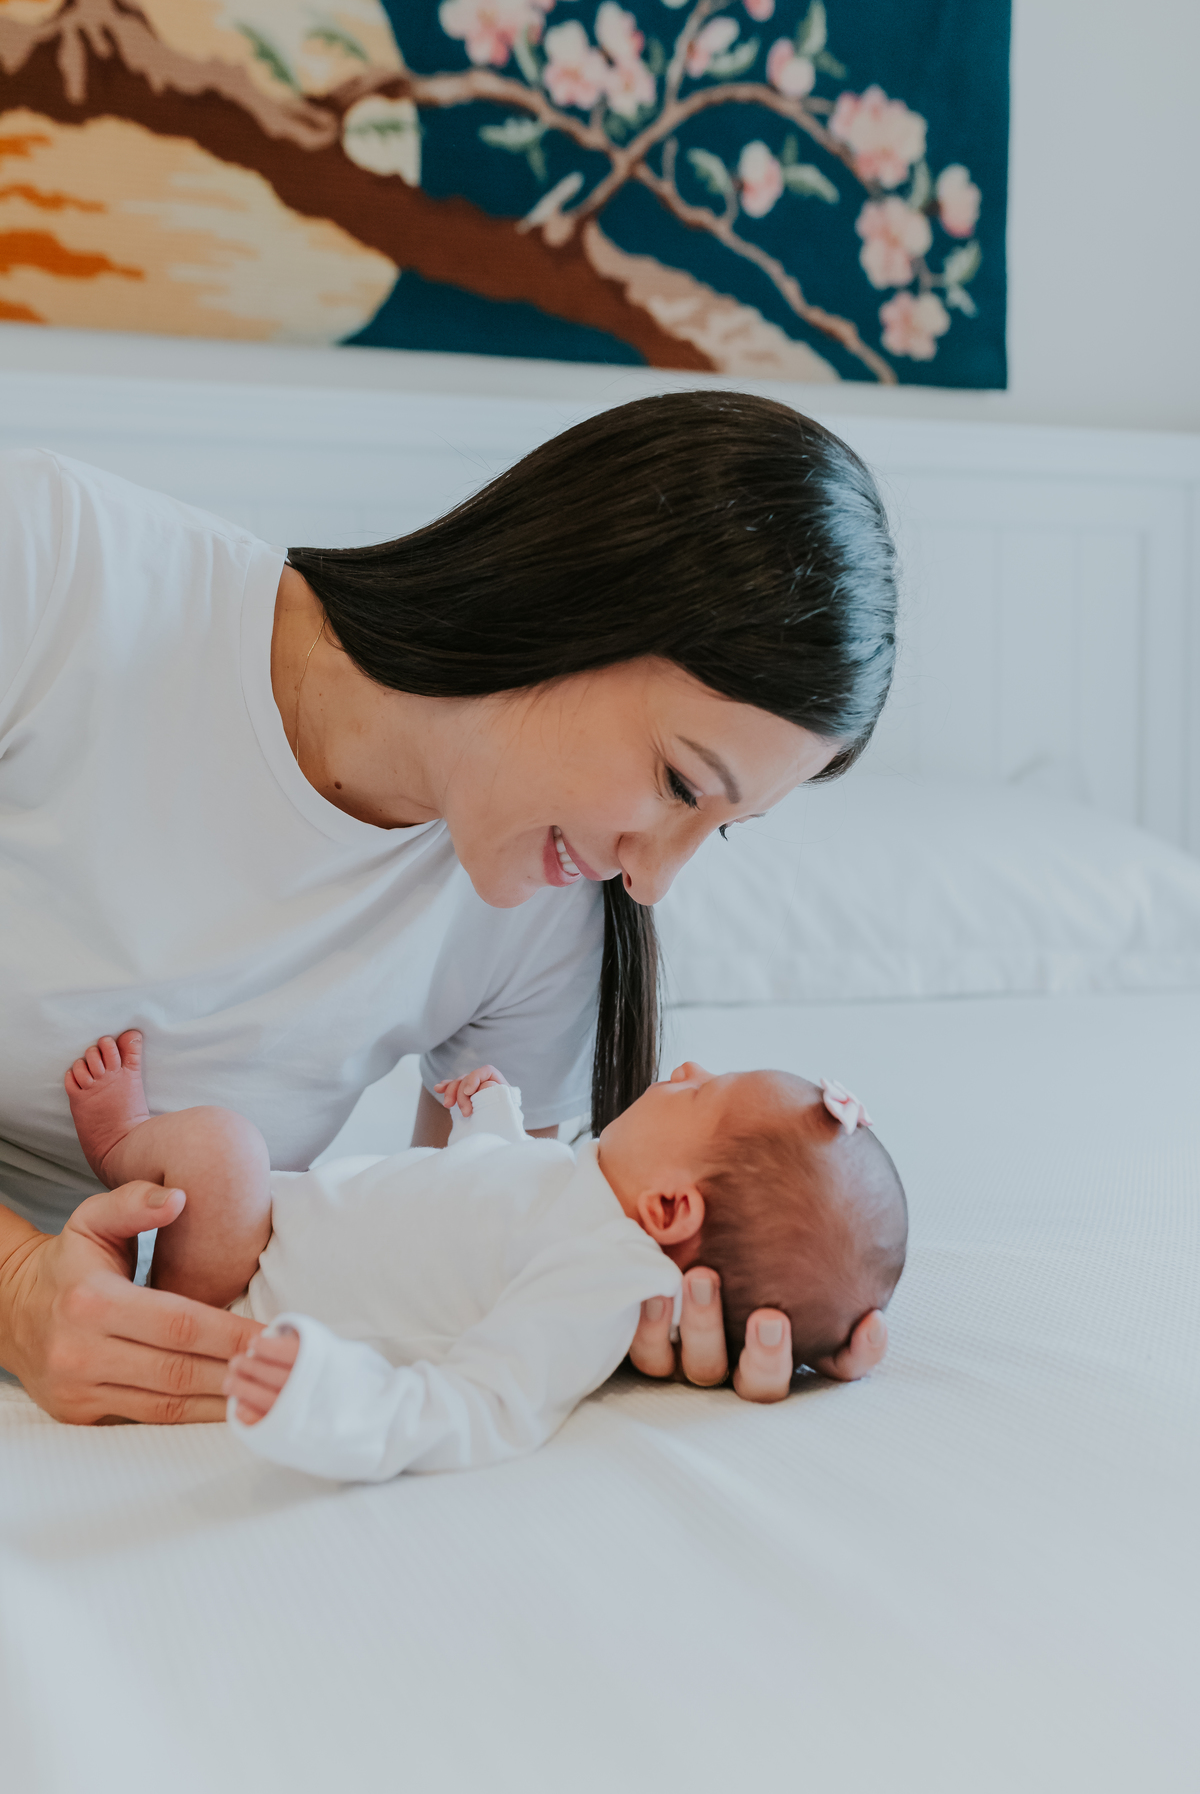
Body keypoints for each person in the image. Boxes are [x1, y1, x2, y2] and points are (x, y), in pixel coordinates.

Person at [0, 392, 898, 1423]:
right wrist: (19, 1288)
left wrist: (635, 1301)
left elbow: (461, 1253)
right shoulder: (55, 566)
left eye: (719, 828)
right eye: (680, 783)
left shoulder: (546, 916)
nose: (650, 880)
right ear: (571, 599)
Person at [62, 1032, 906, 1479]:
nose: (683, 1065)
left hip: (251, 1301)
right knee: (229, 1156)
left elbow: (488, 1406)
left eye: (698, 1090)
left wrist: (329, 1399)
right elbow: (484, 1201)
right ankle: (141, 1181)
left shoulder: (600, 1276)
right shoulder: (585, 1186)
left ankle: (124, 1151)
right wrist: (488, 1118)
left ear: (671, 1208)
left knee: (222, 1150)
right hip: (276, 1233)